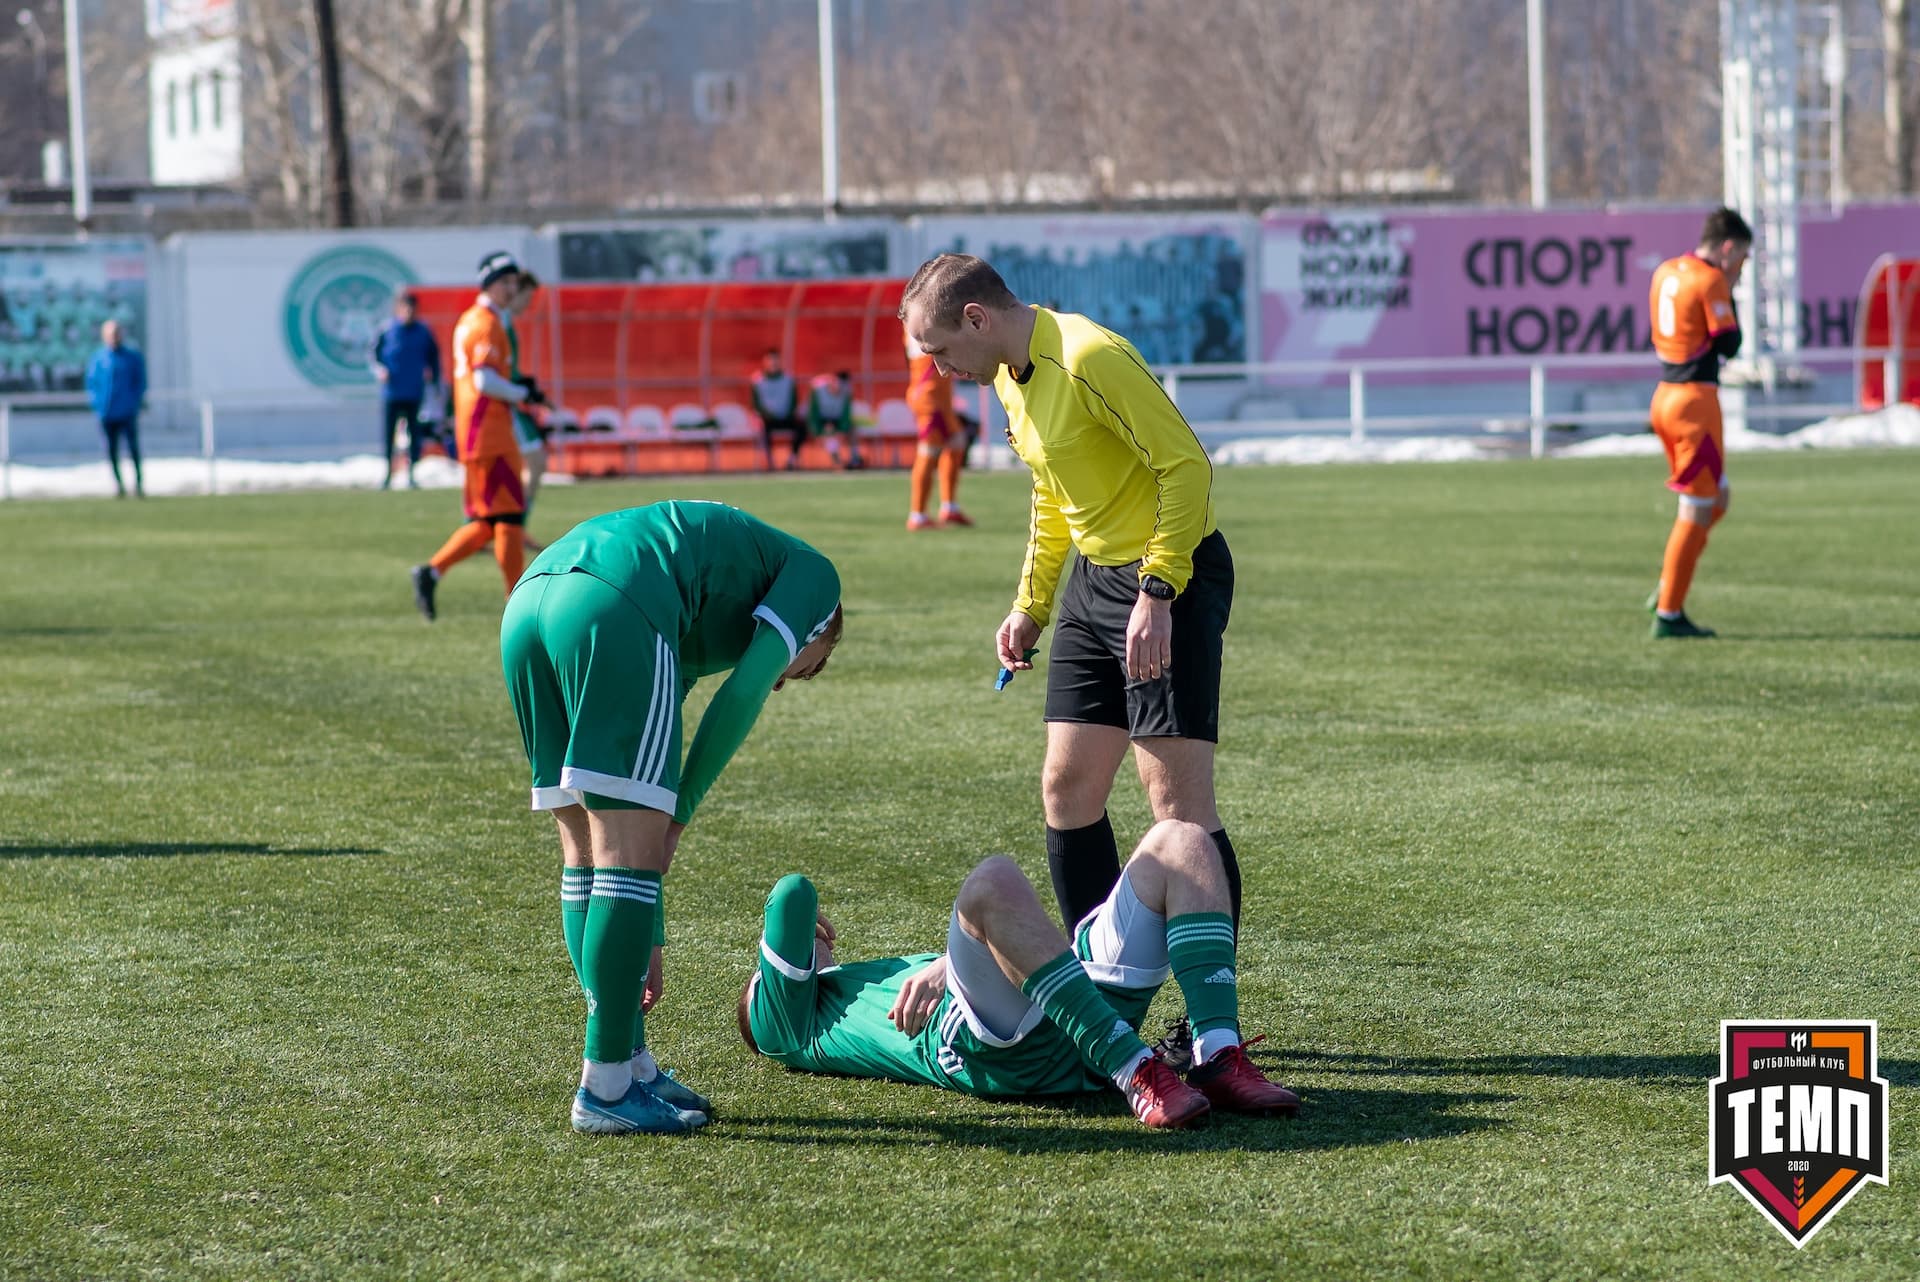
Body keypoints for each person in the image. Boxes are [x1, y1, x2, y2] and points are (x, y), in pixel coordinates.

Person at [898, 254, 1239, 1002]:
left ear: (977, 319)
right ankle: (1104, 997)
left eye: (939, 348)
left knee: (1176, 810)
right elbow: (1052, 498)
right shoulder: (1006, 381)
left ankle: (1212, 1025)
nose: (937, 366)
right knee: (1067, 788)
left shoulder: (1087, 356)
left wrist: (1158, 589)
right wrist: (1031, 605)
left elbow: (1186, 466)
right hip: (1094, 580)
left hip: (1167, 575)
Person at [501, 499, 844, 1135]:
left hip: (530, 600)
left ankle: (629, 1059)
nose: (787, 680)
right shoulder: (818, 581)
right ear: (823, 635)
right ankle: (604, 1084)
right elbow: (743, 692)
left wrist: (648, 933)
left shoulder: (704, 607)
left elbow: (661, 743)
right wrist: (679, 817)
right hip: (616, 603)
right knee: (627, 853)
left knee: (585, 852)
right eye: (809, 668)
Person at [739, 820, 1298, 1130]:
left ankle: (1220, 1056)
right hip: (999, 1052)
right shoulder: (786, 1031)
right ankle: (1137, 1071)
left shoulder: (861, 976)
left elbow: (1014, 949)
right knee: (991, 880)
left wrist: (943, 963)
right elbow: (792, 893)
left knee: (1183, 841)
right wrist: (805, 922)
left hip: (1067, 1011)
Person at [409, 252, 545, 621]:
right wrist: (522, 394)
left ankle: (431, 572)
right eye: (507, 282)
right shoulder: (486, 323)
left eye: (515, 283)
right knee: (511, 517)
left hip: (480, 433)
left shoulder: (474, 320)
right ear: (491, 283)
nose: (513, 289)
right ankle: (516, 601)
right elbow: (484, 380)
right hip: (489, 433)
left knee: (490, 522)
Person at [1646, 207, 1751, 640]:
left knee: (1717, 499)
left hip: (1666, 398)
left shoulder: (1667, 271)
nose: (1741, 269)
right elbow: (1729, 343)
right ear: (1727, 249)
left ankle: (1672, 581)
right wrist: (1727, 290)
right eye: (1742, 259)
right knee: (1698, 507)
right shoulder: (1710, 280)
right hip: (1695, 404)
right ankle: (1669, 613)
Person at [370, 289, 442, 490]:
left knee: (414, 435)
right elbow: (373, 356)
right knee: (389, 435)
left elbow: (434, 358)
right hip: (392, 392)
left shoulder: (423, 331)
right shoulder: (386, 329)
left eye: (412, 307)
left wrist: (435, 382)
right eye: (405, 307)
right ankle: (387, 474)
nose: (408, 311)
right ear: (398, 309)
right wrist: (380, 371)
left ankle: (411, 475)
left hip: (414, 392)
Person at [903, 330, 972, 530]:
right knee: (928, 451)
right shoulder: (918, 320)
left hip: (941, 399)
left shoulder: (922, 316)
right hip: (929, 397)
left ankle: (949, 507)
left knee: (957, 442)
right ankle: (917, 515)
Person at [504, 270, 550, 539]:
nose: (529, 304)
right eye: (528, 297)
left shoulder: (505, 323)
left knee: (528, 467)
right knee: (535, 463)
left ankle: (510, 529)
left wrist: (527, 386)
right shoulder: (499, 323)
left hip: (509, 403)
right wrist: (524, 390)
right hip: (504, 407)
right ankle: (515, 528)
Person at [85, 319, 146, 498]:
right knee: (111, 450)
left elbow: (140, 382)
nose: (115, 337)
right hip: (107, 413)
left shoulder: (132, 357)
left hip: (127, 412)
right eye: (111, 334)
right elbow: (92, 384)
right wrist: (98, 405)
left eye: (117, 333)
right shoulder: (99, 359)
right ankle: (118, 485)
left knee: (133, 449)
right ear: (105, 336)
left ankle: (139, 484)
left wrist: (133, 403)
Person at [750, 348, 804, 470]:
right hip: (768, 419)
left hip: (785, 417)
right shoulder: (758, 380)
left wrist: (789, 413)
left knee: (802, 427)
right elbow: (755, 404)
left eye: (775, 359)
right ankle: (770, 462)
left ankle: (792, 459)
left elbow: (794, 400)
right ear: (765, 362)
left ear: (779, 361)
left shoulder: (788, 379)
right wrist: (767, 414)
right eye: (770, 360)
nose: (772, 363)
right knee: (762, 428)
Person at [807, 369, 864, 470]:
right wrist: (817, 432)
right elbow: (813, 415)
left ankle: (854, 458)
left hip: (838, 423)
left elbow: (846, 416)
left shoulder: (846, 394)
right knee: (829, 433)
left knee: (853, 429)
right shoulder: (819, 392)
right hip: (822, 423)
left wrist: (842, 431)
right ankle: (837, 461)